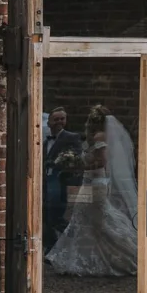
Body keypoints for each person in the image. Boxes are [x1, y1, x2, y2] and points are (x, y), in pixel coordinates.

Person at [47, 106, 139, 278]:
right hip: (90, 183)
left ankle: (130, 254)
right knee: (88, 221)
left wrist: (81, 166)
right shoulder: (98, 137)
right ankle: (87, 259)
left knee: (98, 221)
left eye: (90, 119)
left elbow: (102, 162)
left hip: (96, 184)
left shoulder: (99, 137)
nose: (87, 122)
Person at [41, 107, 84, 256]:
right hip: (45, 183)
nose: (60, 122)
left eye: (62, 119)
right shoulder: (45, 141)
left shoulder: (71, 137)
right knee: (45, 215)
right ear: (49, 122)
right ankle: (51, 248)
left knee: (56, 216)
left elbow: (77, 157)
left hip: (59, 182)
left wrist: (60, 164)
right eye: (56, 119)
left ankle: (72, 242)